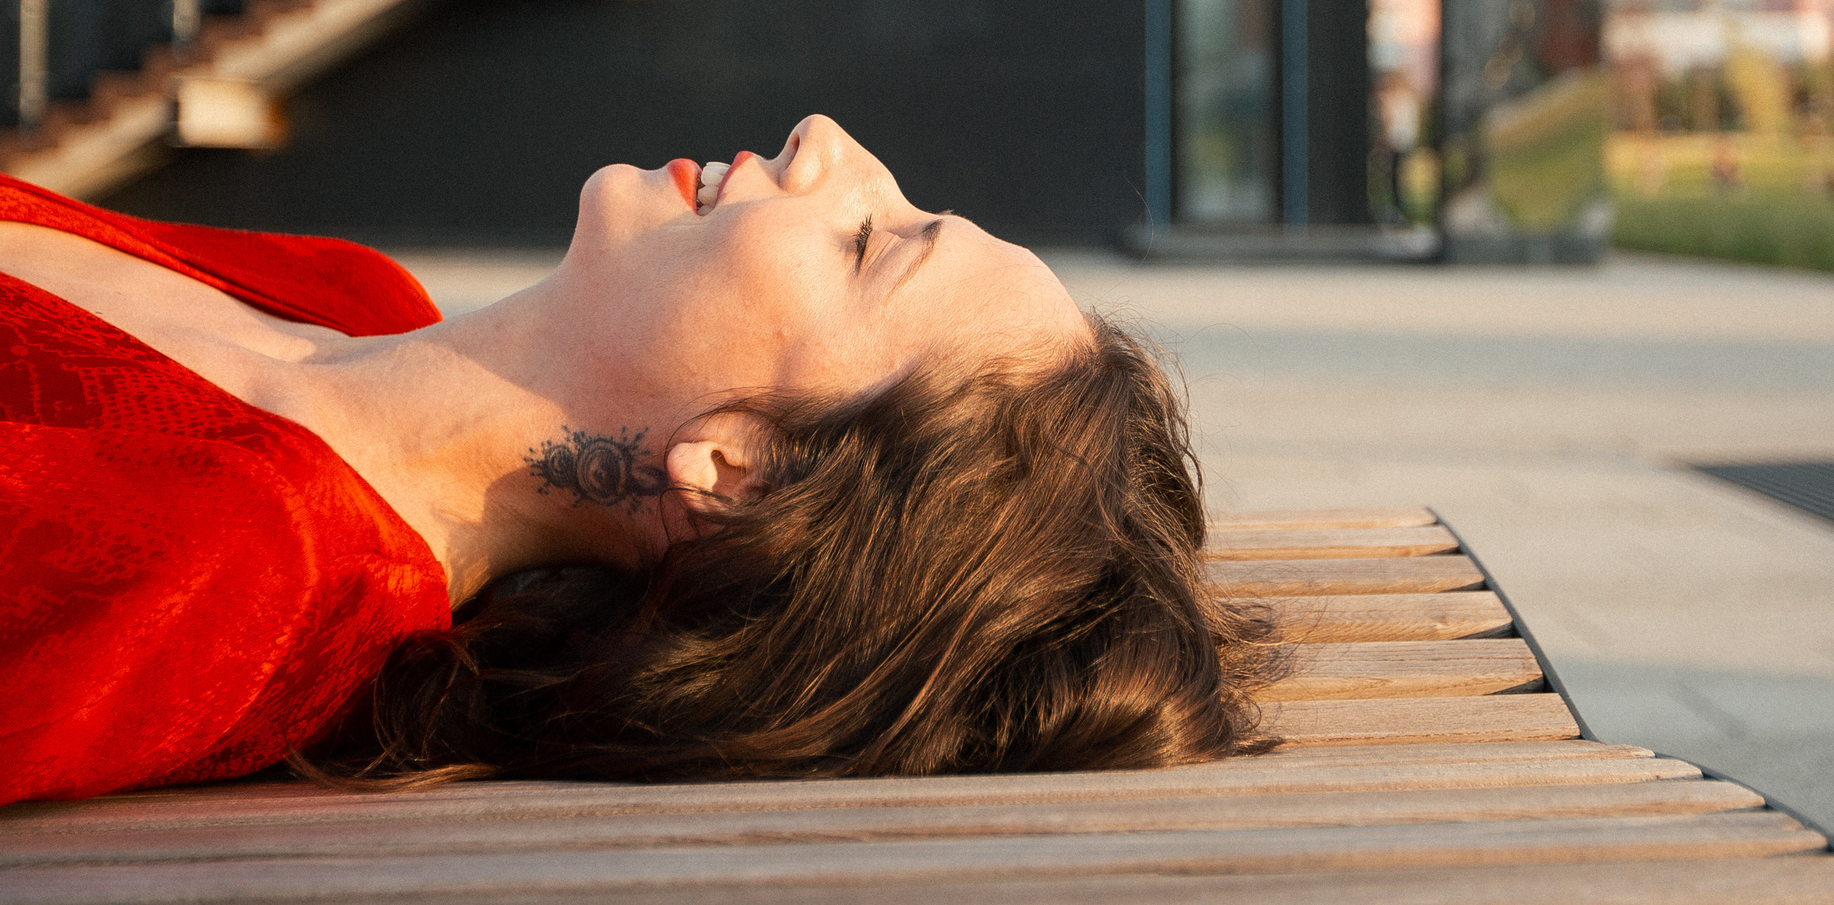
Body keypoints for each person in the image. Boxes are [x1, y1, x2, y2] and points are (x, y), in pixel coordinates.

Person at [0, 115, 1265, 804]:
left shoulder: (227, 573)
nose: (825, 141)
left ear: (740, 474)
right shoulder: (350, 292)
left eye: (869, 243)